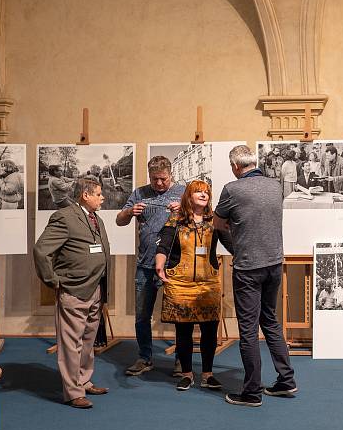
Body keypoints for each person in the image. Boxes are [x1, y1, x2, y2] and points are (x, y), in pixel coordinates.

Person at [214, 145, 297, 407]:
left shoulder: (232, 189)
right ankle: (286, 380)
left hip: (248, 268)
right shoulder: (275, 186)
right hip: (274, 264)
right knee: (270, 321)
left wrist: (236, 246)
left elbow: (217, 225)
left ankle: (251, 392)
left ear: (236, 166)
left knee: (248, 330)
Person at [33, 177, 111, 409]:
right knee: (71, 342)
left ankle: (84, 381)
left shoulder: (95, 218)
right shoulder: (64, 217)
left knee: (88, 339)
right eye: (98, 193)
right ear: (85, 195)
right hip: (74, 289)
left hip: (95, 288)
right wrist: (53, 280)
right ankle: (72, 391)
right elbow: (41, 250)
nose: (102, 197)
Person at [116, 156, 184, 377]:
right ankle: (145, 358)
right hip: (145, 264)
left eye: (163, 179)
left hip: (175, 265)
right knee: (142, 315)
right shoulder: (139, 193)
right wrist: (129, 212)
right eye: (155, 179)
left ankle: (182, 361)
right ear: (149, 175)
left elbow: (203, 217)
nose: (159, 184)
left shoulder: (183, 192)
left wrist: (184, 210)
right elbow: (120, 220)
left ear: (170, 174)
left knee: (180, 316)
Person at [155, 181, 222, 392]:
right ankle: (186, 374)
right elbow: (164, 244)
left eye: (206, 192)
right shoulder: (176, 219)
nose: (204, 195)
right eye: (199, 192)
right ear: (189, 196)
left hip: (208, 282)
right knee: (183, 331)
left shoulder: (215, 221)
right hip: (180, 283)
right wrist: (159, 265)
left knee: (209, 330)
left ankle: (208, 374)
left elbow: (231, 241)